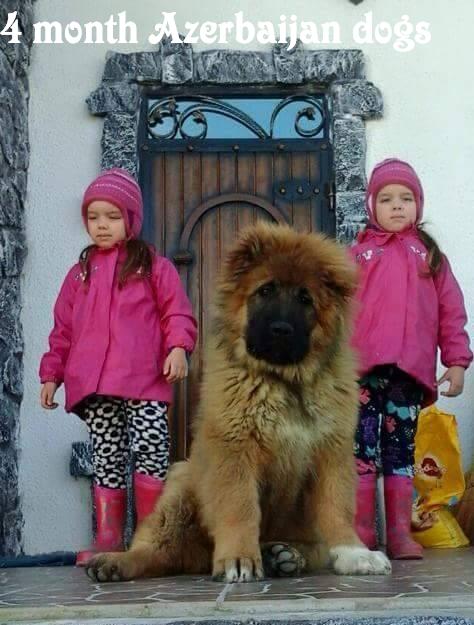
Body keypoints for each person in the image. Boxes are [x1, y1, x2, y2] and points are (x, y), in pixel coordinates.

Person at [39, 168, 197, 565]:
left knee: (150, 449)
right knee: (107, 455)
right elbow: (63, 329)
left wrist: (178, 347)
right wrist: (51, 374)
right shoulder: (79, 274)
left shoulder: (153, 266)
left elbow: (176, 313)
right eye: (94, 218)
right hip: (94, 385)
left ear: (130, 219)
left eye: (112, 216)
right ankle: (109, 538)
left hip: (142, 379)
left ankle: (151, 539)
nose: (102, 226)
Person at [350, 158, 472, 560]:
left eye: (406, 198)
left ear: (418, 205)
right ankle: (362, 532)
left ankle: (401, 533)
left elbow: (452, 312)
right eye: (386, 199)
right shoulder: (358, 255)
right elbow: (336, 310)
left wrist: (456, 361)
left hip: (408, 374)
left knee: (400, 453)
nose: (397, 205)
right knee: (361, 451)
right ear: (371, 206)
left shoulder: (430, 258)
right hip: (362, 375)